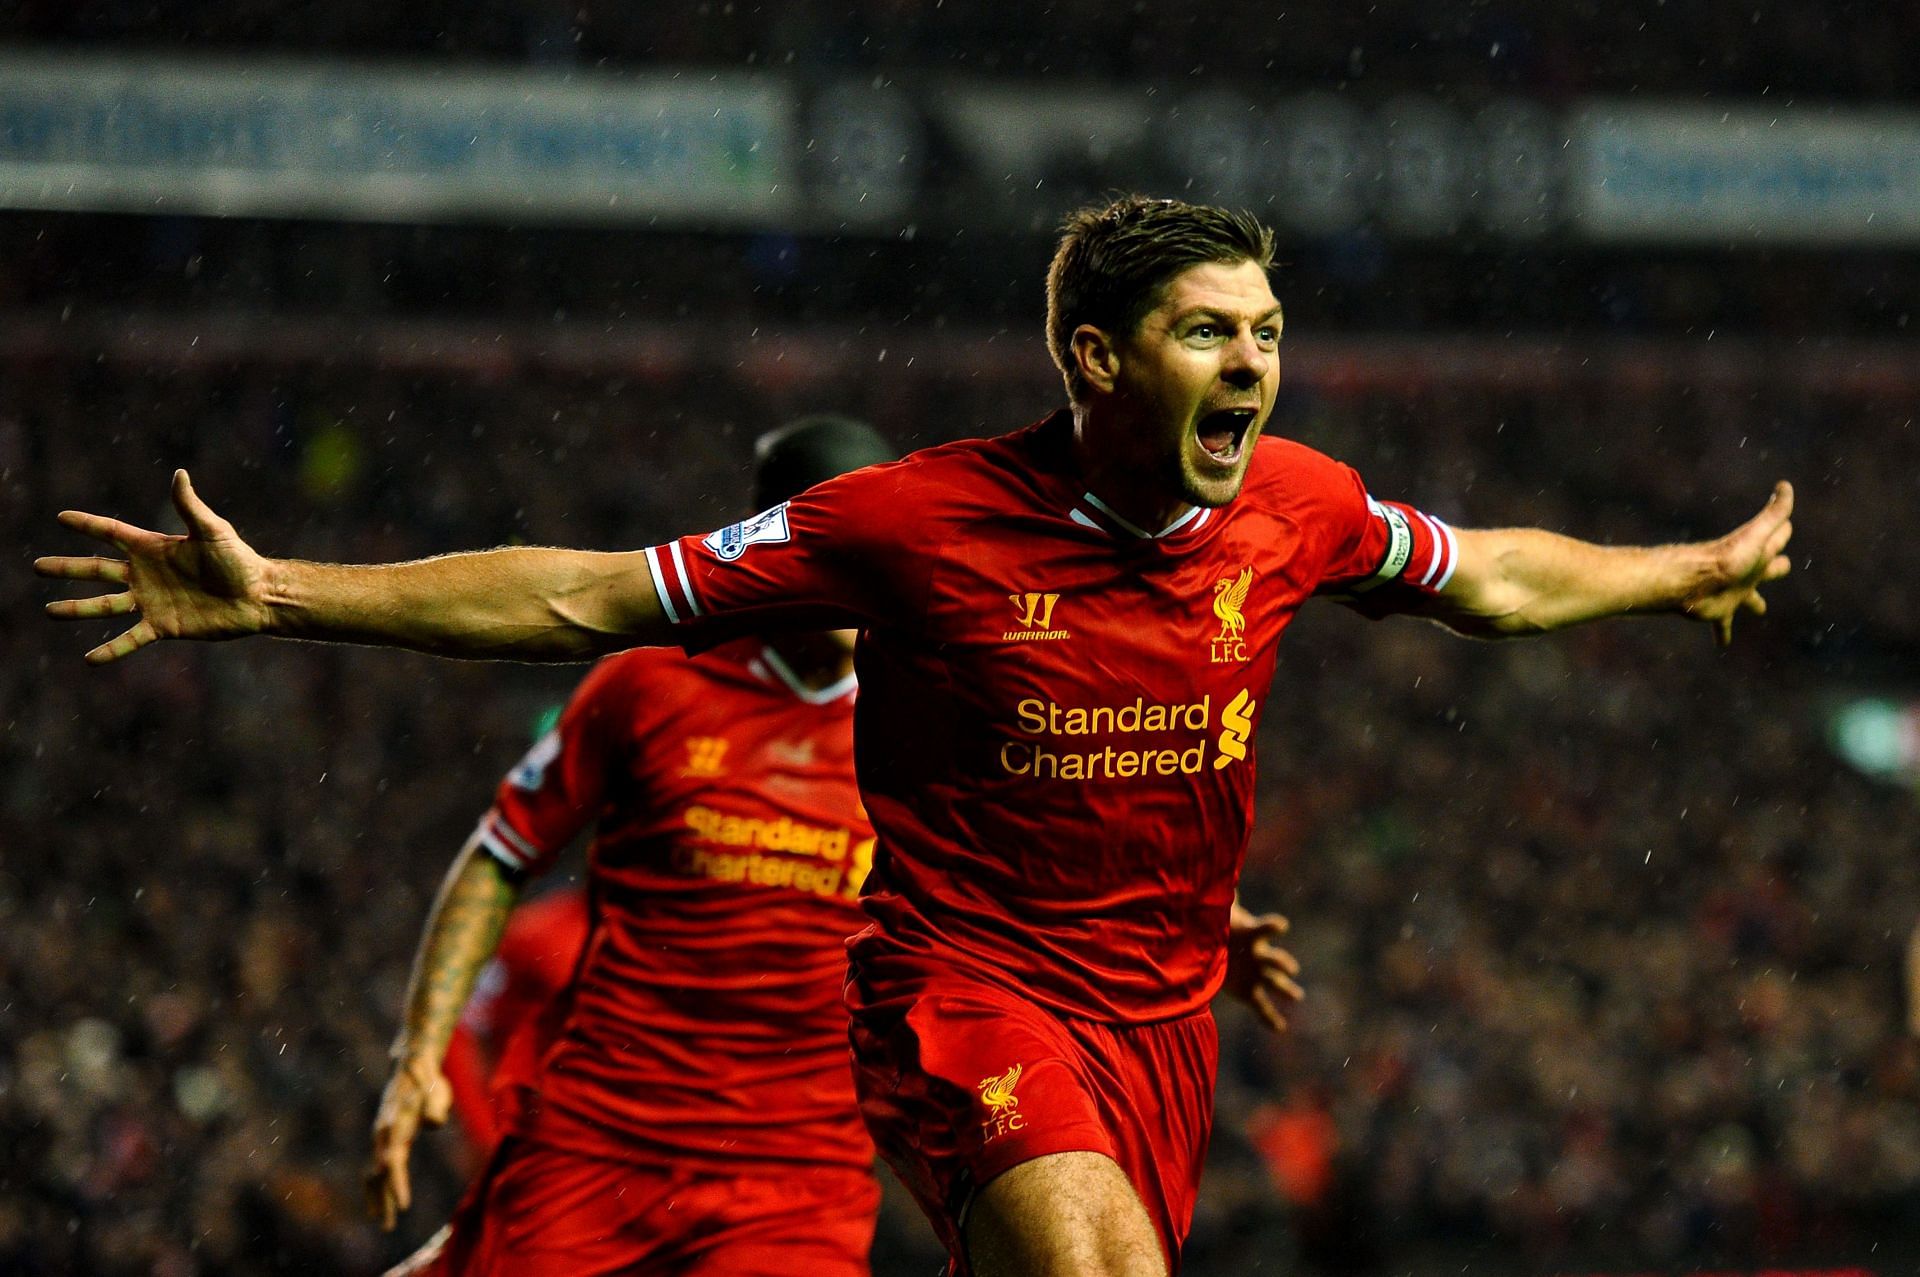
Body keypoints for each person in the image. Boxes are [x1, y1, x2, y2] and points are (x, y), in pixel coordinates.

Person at [37, 196, 1793, 1277]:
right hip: (963, 988)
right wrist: (284, 596)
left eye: (1266, 330)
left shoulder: (1301, 506)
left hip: (1159, 1013)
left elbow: (1491, 576)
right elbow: (581, 595)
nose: (1251, 364)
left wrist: (1681, 570)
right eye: (1207, 333)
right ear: (1098, 357)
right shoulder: (913, 524)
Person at [368, 415, 903, 1275]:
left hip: (798, 1180)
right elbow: (502, 852)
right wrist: (420, 1051)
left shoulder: (937, 723)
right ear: (775, 547)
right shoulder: (652, 685)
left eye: (874, 545)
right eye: (829, 543)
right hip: (599, 1146)